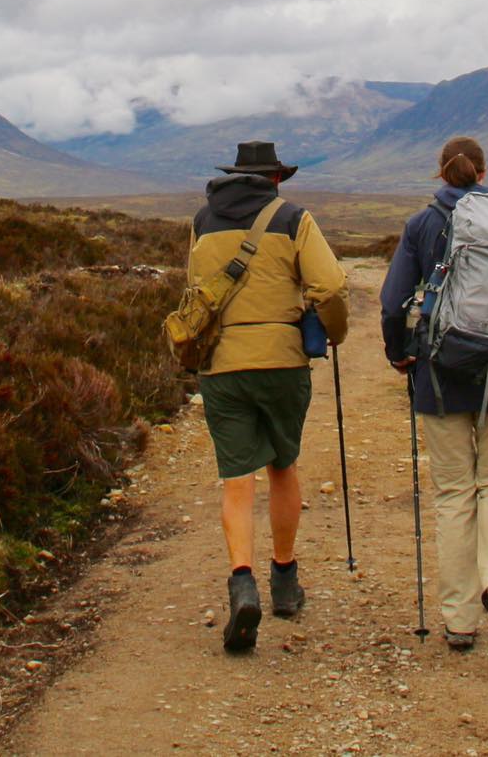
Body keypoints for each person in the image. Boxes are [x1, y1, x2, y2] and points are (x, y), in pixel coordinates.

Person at [379, 135, 488, 651]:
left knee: (454, 493)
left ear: (441, 173)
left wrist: (398, 352)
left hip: (439, 375)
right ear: (483, 171)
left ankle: (459, 621)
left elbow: (392, 302)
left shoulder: (423, 224)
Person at [191, 140, 349, 653]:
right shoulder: (293, 218)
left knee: (236, 480)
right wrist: (335, 334)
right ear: (275, 178)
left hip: (222, 365)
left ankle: (242, 581)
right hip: (282, 362)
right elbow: (329, 287)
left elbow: (194, 292)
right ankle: (284, 580)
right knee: (283, 465)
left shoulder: (201, 221)